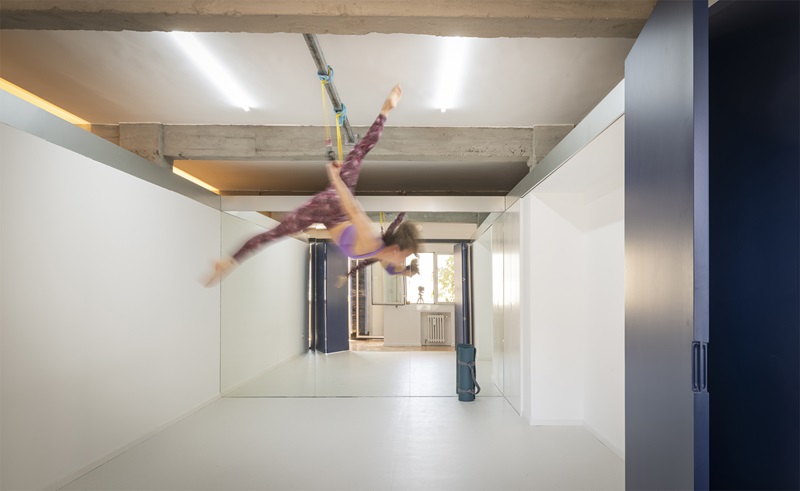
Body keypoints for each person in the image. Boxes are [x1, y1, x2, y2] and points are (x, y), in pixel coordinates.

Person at [205, 85, 420, 287]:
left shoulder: (376, 252)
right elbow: (353, 210)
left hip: (332, 213)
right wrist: (335, 179)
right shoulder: (372, 242)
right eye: (405, 256)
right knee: (276, 233)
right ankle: (229, 262)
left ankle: (385, 111)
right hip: (333, 205)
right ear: (395, 250)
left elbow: (347, 229)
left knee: (360, 152)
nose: (403, 262)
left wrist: (315, 222)